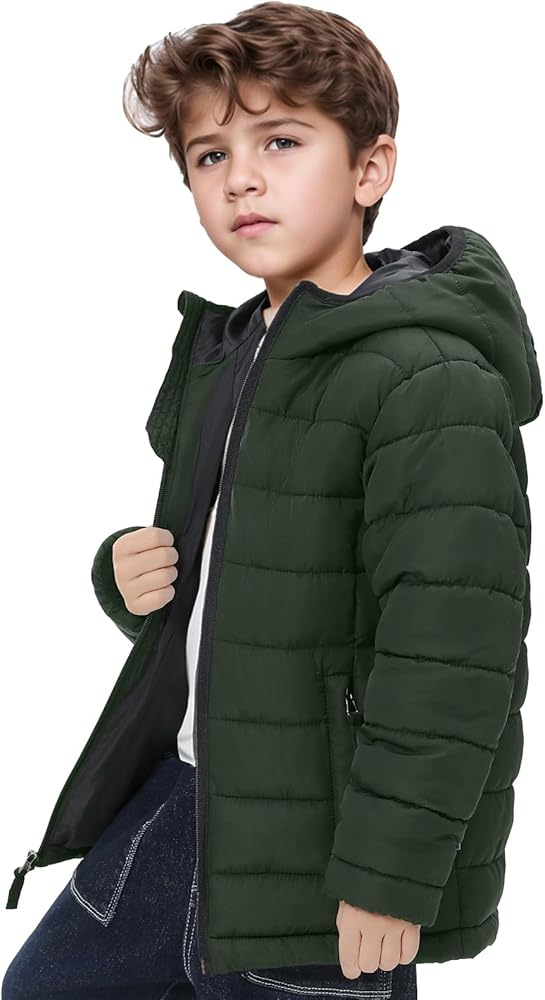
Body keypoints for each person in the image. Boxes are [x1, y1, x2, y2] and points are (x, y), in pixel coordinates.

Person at [3, 3, 541, 998]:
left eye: (280, 141)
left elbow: (454, 656)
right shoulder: (236, 351)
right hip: (182, 804)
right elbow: (246, 579)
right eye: (208, 155)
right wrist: (130, 576)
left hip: (323, 857)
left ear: (369, 169)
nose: (239, 178)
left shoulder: (428, 379)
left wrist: (388, 876)